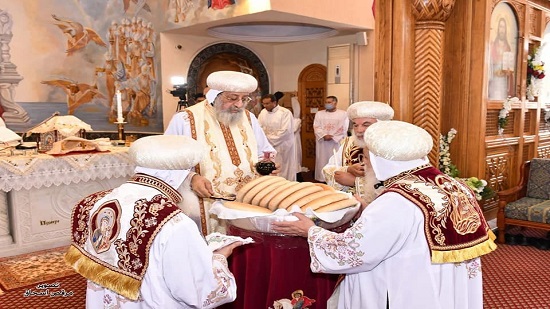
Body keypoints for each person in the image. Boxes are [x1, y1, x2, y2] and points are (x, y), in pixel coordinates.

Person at [273, 120, 497, 309]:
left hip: (411, 289)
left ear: (383, 161)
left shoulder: (396, 200)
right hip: (449, 286)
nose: (366, 165)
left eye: (368, 159)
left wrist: (310, 231)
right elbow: (410, 229)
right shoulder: (452, 185)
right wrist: (368, 212)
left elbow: (352, 252)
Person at [65, 135, 242, 308]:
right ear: (180, 175)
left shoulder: (92, 203)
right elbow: (202, 294)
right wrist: (219, 258)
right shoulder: (175, 224)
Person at [165, 70, 277, 235]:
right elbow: (167, 161)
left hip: (246, 201)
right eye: (232, 98)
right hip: (204, 203)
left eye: (244, 98)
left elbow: (263, 152)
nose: (239, 104)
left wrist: (267, 164)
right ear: (214, 96)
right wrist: (191, 178)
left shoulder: (249, 117)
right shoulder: (185, 119)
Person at [322, 101, 394, 197]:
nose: (359, 130)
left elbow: (395, 183)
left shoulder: (392, 148)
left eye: (366, 124)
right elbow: (327, 169)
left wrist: (355, 182)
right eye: (355, 125)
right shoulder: (349, 143)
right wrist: (348, 169)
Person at [258, 93, 297, 181]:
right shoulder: (263, 112)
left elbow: (285, 131)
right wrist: (264, 141)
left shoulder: (285, 113)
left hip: (282, 145)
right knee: (270, 168)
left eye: (267, 103)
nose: (265, 106)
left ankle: (286, 186)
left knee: (283, 168)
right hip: (267, 147)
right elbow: (259, 128)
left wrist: (268, 140)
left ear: (274, 102)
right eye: (263, 104)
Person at [313, 96, 349, 182]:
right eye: (326, 102)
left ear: (335, 103)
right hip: (323, 142)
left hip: (336, 142)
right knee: (322, 160)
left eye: (329, 102)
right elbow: (316, 126)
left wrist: (333, 136)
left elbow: (344, 128)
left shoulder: (343, 114)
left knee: (336, 160)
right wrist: (324, 135)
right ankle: (322, 178)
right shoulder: (319, 114)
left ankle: (336, 179)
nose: (327, 104)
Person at [489, 17, 513, 100]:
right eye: (500, 27)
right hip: (493, 82)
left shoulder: (508, 48)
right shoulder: (492, 45)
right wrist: (494, 71)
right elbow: (487, 65)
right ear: (497, 28)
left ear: (506, 30)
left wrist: (507, 72)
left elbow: (510, 70)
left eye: (503, 27)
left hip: (503, 84)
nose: (501, 30)